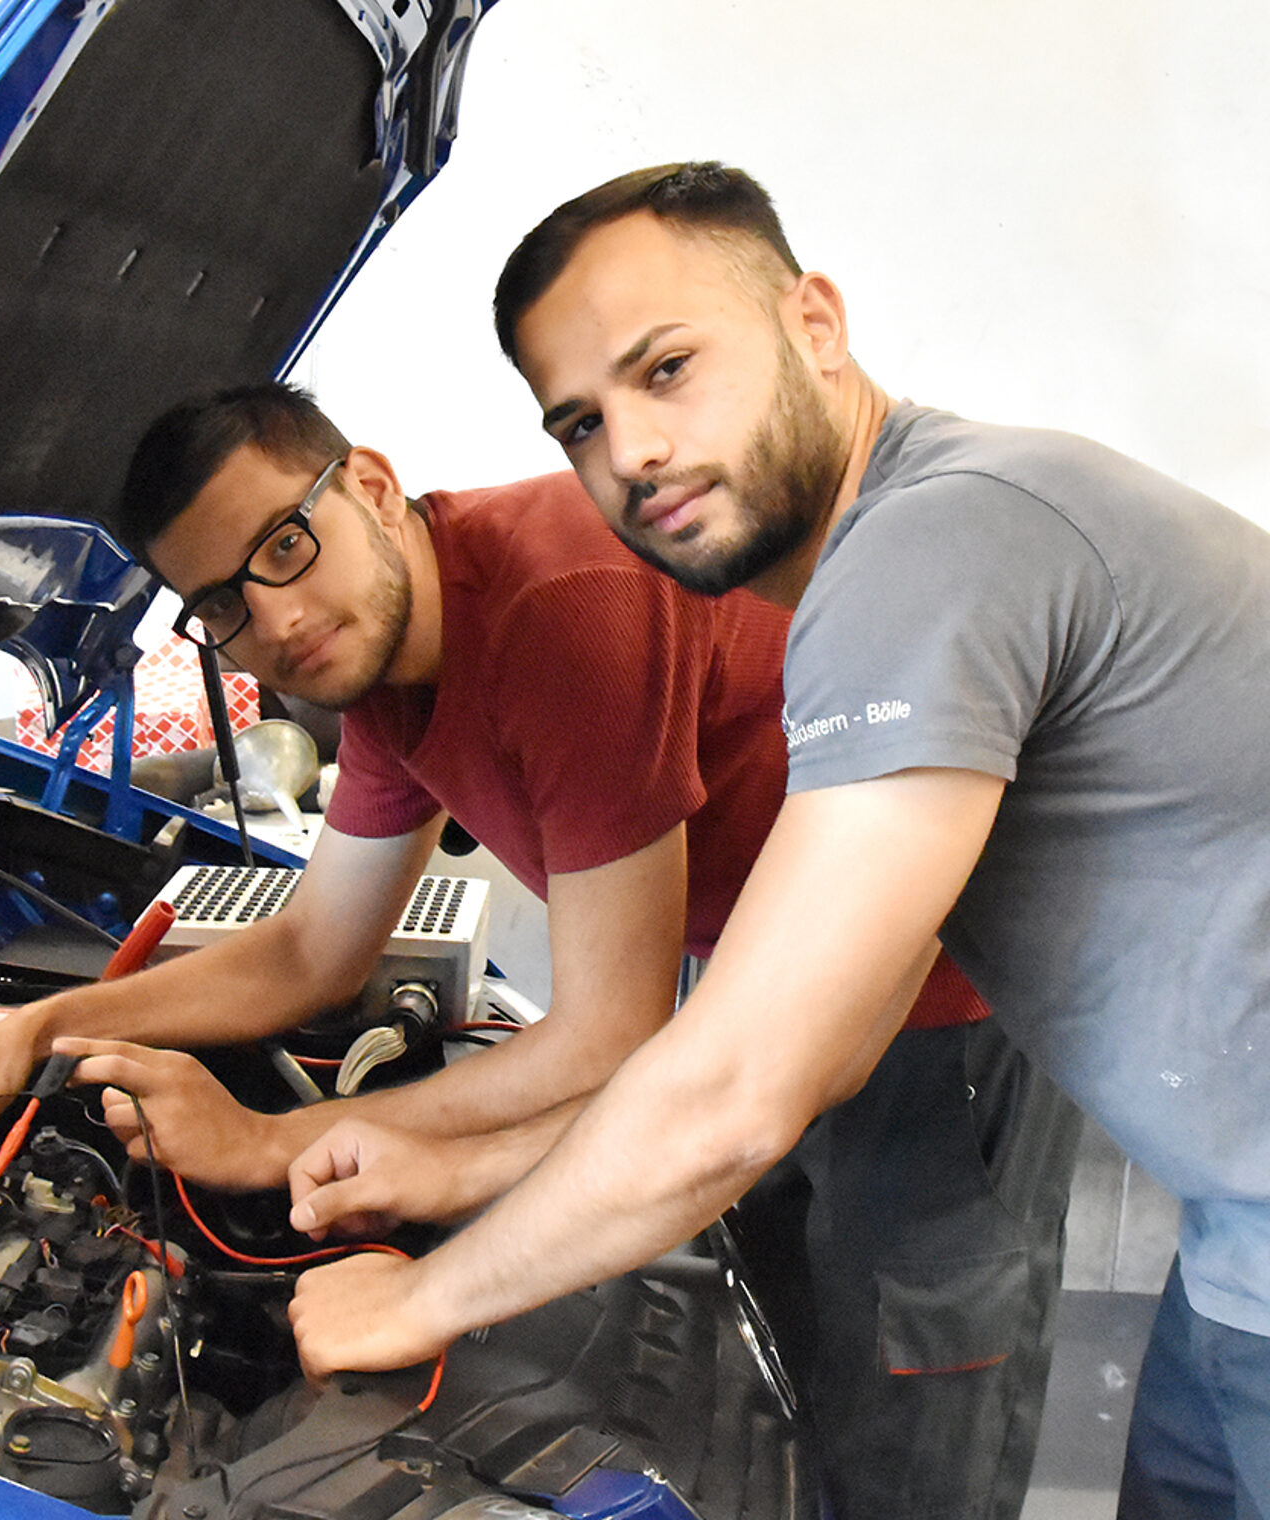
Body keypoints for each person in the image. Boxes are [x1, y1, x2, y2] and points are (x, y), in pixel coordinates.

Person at [284, 163, 1270, 1519]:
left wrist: (425, 1295)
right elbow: (826, 1041)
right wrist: (450, 1169)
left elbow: (740, 1086)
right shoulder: (911, 547)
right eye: (581, 421)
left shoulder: (936, 547)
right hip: (1239, 1236)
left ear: (814, 323)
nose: (628, 452)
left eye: (669, 368)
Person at [0, 382, 1075, 1520]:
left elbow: (606, 1035)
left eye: (284, 545)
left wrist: (269, 1145)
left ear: (366, 483)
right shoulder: (387, 680)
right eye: (220, 605)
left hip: (939, 996)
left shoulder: (556, 607)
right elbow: (312, 950)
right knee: (789, 1335)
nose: (277, 621)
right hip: (766, 969)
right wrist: (39, 1028)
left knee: (913, 1400)